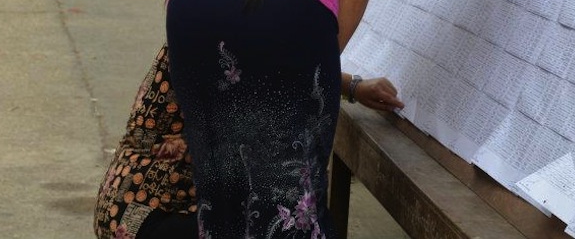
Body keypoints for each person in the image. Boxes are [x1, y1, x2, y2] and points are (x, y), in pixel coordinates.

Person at [164, 0, 402, 238]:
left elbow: (254, 43)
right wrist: (319, 67)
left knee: (218, 170)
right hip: (288, 6)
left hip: (190, 3)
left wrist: (349, 84)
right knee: (293, 180)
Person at [94, 41, 404, 239]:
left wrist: (353, 87)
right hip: (148, 213)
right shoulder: (221, 40)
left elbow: (284, 66)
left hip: (148, 203)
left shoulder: (219, 25)